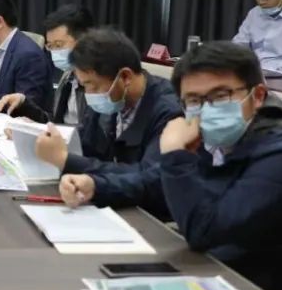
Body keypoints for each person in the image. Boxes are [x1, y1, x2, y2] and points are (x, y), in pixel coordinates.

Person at [60, 42, 282, 290]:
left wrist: (175, 155)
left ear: (258, 96)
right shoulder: (219, 136)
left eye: (220, 96)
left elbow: (206, 230)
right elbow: (154, 180)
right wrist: (96, 185)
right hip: (225, 276)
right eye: (194, 100)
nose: (207, 109)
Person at [33, 28, 181, 190]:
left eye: (92, 86)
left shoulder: (170, 112)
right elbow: (86, 141)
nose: (89, 95)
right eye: (84, 86)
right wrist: (41, 134)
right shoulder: (113, 97)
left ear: (125, 77)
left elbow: (149, 178)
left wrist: (67, 161)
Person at [0, 4, 94, 124]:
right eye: (50, 46)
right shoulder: (68, 76)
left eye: (59, 45)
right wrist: (24, 104)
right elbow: (55, 121)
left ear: (83, 40)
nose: (55, 52)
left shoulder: (97, 81)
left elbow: (92, 132)